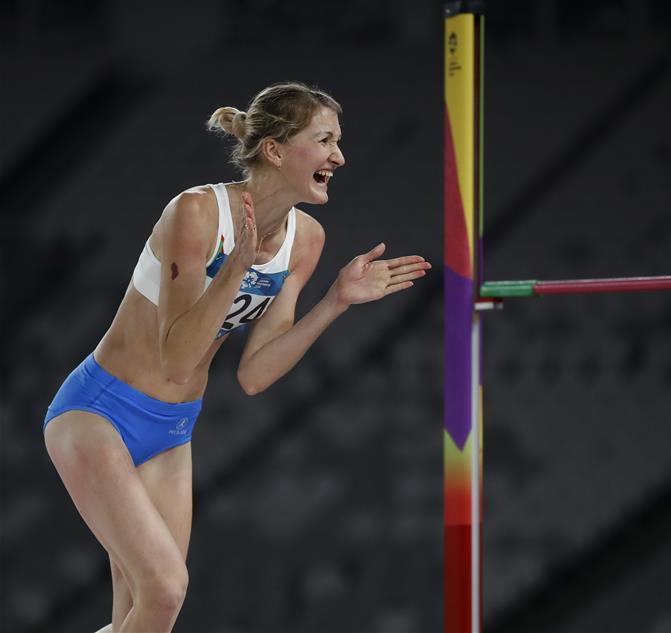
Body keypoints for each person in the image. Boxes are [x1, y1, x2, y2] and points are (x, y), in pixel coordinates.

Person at [42, 81, 431, 633]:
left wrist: (336, 302)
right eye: (324, 141)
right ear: (275, 150)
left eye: (338, 142)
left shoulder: (306, 240)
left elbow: (254, 373)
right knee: (165, 590)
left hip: (173, 429)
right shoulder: (197, 213)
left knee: (143, 612)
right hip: (98, 413)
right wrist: (235, 269)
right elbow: (176, 355)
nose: (339, 157)